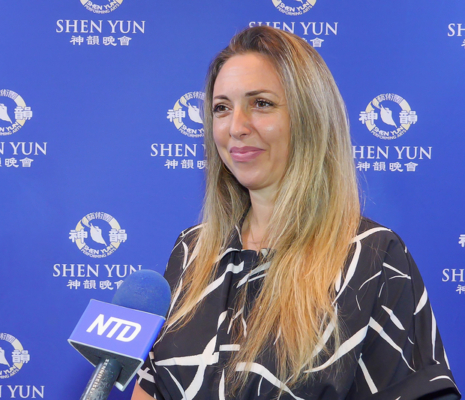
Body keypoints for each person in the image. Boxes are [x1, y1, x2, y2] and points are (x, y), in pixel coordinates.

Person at [131, 26, 460, 400]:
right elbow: (151, 387)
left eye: (261, 103)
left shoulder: (372, 257)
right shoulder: (191, 250)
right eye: (221, 108)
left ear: (310, 116)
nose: (236, 127)